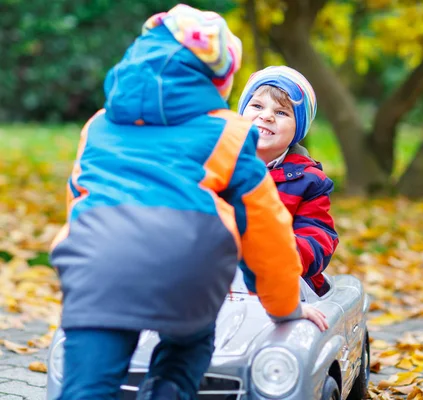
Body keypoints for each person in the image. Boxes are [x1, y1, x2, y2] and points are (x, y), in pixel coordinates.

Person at [49, 5, 327, 400]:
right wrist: (284, 307)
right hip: (186, 273)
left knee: (87, 386)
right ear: (220, 82)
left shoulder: (98, 125)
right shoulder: (229, 135)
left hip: (97, 269)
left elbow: (79, 196)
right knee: (186, 349)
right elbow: (265, 232)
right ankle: (167, 389)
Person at [238, 66, 339, 296]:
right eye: (257, 106)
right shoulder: (216, 164)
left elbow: (318, 238)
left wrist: (280, 250)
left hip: (282, 283)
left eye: (282, 112)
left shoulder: (309, 182)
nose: (267, 116)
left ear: (297, 129)